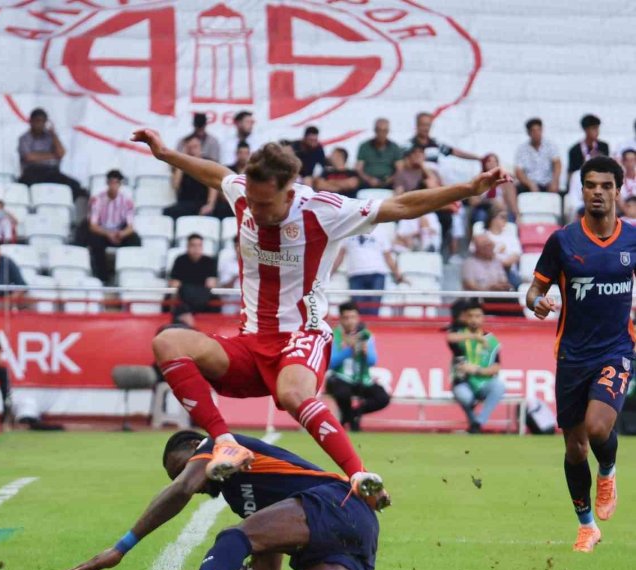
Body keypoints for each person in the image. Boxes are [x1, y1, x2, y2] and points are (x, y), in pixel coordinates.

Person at [131, 127, 510, 486]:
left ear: (289, 189)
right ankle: (225, 442)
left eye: (266, 203)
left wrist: (468, 188)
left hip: (303, 334)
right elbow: (216, 175)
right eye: (253, 200)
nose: (256, 212)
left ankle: (360, 476)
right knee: (168, 342)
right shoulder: (244, 192)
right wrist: (165, 153)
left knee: (292, 395)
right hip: (250, 343)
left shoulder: (323, 209)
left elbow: (401, 205)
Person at [66, 432, 510, 570]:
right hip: (354, 529)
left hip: (336, 503)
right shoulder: (242, 496)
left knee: (232, 537)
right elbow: (269, 567)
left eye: (182, 469)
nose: (190, 483)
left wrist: (122, 547)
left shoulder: (221, 445)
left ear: (193, 447)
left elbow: (182, 492)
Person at [526, 155, 635, 553]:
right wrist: (536, 302)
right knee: (574, 448)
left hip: (616, 350)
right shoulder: (563, 241)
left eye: (606, 186)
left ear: (618, 191)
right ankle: (587, 526)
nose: (598, 192)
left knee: (596, 428)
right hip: (571, 356)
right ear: (582, 189)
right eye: (591, 185)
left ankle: (608, 471)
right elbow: (533, 290)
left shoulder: (632, 238)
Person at [325, 301, 390, 431]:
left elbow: (372, 361)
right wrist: (349, 349)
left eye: (353, 317)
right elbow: (330, 363)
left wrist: (365, 353)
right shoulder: (333, 335)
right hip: (340, 378)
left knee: (382, 397)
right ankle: (352, 421)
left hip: (361, 379)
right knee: (342, 392)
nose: (350, 321)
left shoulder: (366, 335)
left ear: (358, 318)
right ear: (341, 319)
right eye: (346, 318)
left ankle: (351, 415)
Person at [448, 301, 505, 434]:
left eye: (477, 316)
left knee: (499, 386)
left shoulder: (491, 339)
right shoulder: (460, 334)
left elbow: (496, 368)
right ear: (465, 318)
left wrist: (476, 370)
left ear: (483, 317)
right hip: (463, 382)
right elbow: (450, 338)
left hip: (483, 382)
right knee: (464, 396)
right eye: (470, 316)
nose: (474, 319)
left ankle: (478, 423)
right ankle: (474, 423)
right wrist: (475, 337)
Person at [332, 226, 404, 315]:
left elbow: (388, 256)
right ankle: (361, 329)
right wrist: (329, 273)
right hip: (355, 274)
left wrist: (398, 274)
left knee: (374, 309)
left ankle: (371, 328)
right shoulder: (348, 229)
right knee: (358, 311)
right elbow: (340, 255)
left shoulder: (380, 231)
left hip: (377, 274)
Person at [85, 168, 139, 283]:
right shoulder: (97, 199)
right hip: (103, 232)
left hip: (119, 232)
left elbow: (130, 226)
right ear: (107, 183)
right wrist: (108, 234)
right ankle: (102, 278)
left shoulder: (127, 201)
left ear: (120, 184)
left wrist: (121, 234)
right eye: (111, 182)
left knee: (134, 240)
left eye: (116, 183)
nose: (113, 186)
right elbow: (93, 226)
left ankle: (128, 275)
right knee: (94, 240)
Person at [17, 107, 84, 197]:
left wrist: (53, 134)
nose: (40, 124)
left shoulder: (50, 137)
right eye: (37, 121)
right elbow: (29, 157)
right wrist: (52, 155)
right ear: (31, 121)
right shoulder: (24, 138)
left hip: (51, 172)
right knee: (23, 188)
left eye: (43, 121)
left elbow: (61, 153)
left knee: (76, 186)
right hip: (32, 172)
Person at [163, 135, 221, 220]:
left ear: (200, 148)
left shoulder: (208, 163)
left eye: (195, 147)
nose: (193, 150)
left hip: (203, 202)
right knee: (168, 212)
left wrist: (210, 204)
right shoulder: (180, 165)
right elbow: (175, 185)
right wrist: (182, 160)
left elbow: (213, 187)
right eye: (190, 148)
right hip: (186, 203)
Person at [168, 233, 218, 313]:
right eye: (193, 245)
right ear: (187, 246)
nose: (196, 248)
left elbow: (212, 283)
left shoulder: (209, 261)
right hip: (184, 297)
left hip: (203, 297)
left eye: (199, 245)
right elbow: (174, 282)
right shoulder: (180, 260)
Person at [408, 112, 479, 167]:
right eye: (423, 125)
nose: (426, 128)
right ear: (417, 125)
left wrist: (478, 158)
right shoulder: (408, 146)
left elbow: (455, 152)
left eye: (428, 125)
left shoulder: (436, 144)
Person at [468, 153, 519, 224]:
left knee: (509, 218)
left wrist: (517, 215)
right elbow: (473, 202)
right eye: (489, 161)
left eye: (495, 162)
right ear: (484, 164)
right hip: (484, 209)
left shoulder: (505, 180)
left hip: (501, 209)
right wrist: (490, 202)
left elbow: (512, 201)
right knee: (480, 216)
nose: (492, 164)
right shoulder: (477, 180)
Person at [514, 118, 561, 194]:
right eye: (533, 131)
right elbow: (519, 171)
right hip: (529, 184)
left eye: (539, 130)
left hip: (547, 183)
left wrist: (555, 181)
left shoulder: (550, 146)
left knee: (559, 191)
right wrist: (530, 184)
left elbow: (557, 164)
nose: (537, 133)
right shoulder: (522, 149)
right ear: (528, 133)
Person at [355, 118, 404, 189]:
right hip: (368, 181)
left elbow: (400, 169)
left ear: (388, 131)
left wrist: (390, 179)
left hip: (389, 181)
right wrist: (369, 179)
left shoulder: (395, 147)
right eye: (379, 130)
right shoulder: (364, 146)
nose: (381, 134)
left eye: (385, 131)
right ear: (375, 130)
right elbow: (359, 169)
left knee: (400, 188)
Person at [481, 206, 521, 289]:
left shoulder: (511, 236)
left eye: (507, 217)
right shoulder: (482, 236)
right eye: (502, 217)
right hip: (485, 271)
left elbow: (515, 256)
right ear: (493, 218)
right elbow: (477, 256)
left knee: (515, 281)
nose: (506, 220)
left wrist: (497, 260)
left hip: (507, 271)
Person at [567, 114, 609, 178]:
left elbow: (608, 168)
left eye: (597, 128)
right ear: (586, 130)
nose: (597, 131)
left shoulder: (603, 146)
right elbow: (571, 172)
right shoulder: (575, 150)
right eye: (594, 128)